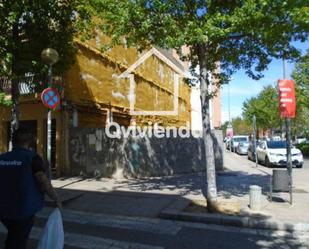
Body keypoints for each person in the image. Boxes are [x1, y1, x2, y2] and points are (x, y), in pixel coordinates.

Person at [0, 128, 61, 249]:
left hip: (3, 209)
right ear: (29, 143)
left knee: (14, 236)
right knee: (17, 240)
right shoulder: (32, 158)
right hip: (23, 210)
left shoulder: (2, 158)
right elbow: (43, 180)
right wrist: (56, 198)